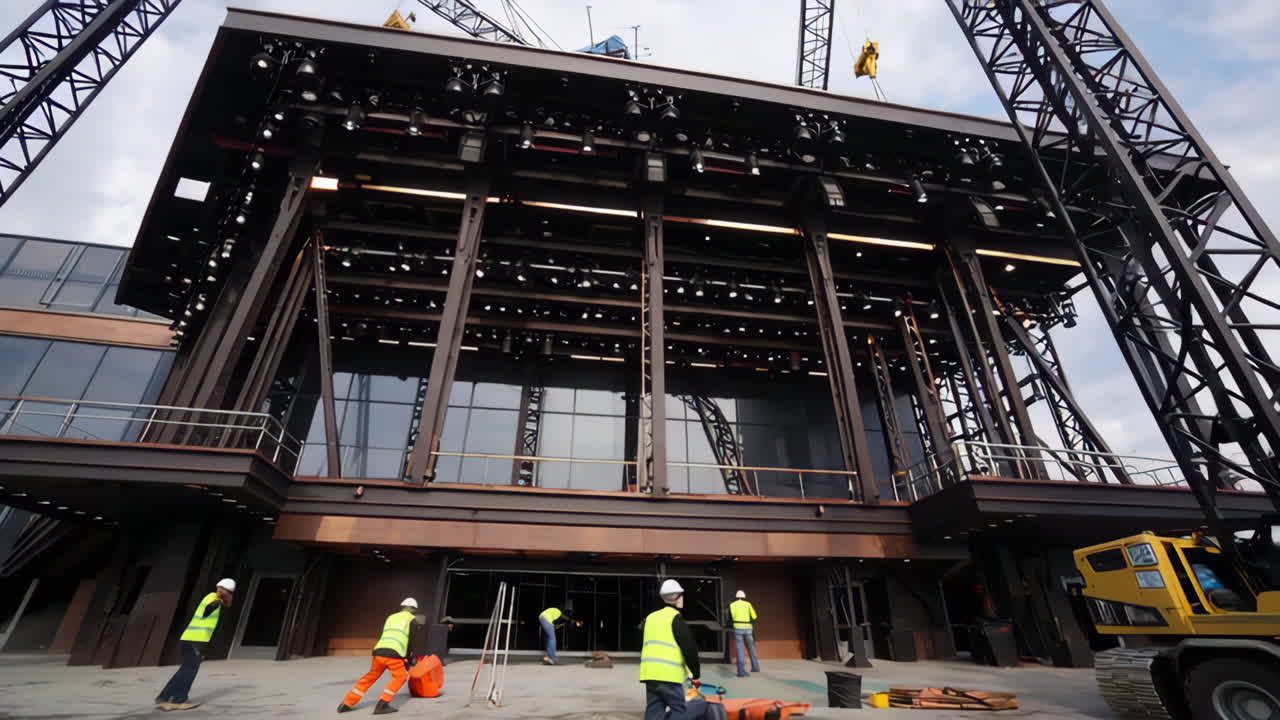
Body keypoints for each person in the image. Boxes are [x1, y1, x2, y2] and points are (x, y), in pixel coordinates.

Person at [155, 578, 235, 712]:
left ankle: (164, 697)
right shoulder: (214, 599)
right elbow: (207, 612)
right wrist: (218, 601)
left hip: (190, 639)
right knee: (189, 670)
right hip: (195, 641)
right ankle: (178, 700)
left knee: (185, 669)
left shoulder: (211, 597)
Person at [338, 598, 425, 715]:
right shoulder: (412, 620)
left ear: (403, 606)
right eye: (415, 609)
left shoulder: (391, 617)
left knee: (370, 677)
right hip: (394, 653)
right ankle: (382, 705)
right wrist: (409, 657)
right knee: (401, 677)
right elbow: (411, 641)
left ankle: (347, 703)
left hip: (379, 651)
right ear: (412, 608)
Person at [639, 579, 702, 720]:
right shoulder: (676, 618)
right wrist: (696, 674)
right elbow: (689, 649)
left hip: (650, 674)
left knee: (653, 711)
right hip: (669, 676)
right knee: (680, 710)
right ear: (677, 597)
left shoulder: (650, 617)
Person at [728, 589, 761, 677]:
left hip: (737, 628)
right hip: (748, 629)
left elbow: (730, 618)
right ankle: (755, 667)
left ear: (736, 597)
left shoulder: (732, 605)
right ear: (744, 596)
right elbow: (754, 616)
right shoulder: (748, 604)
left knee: (740, 649)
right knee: (751, 648)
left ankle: (741, 671)